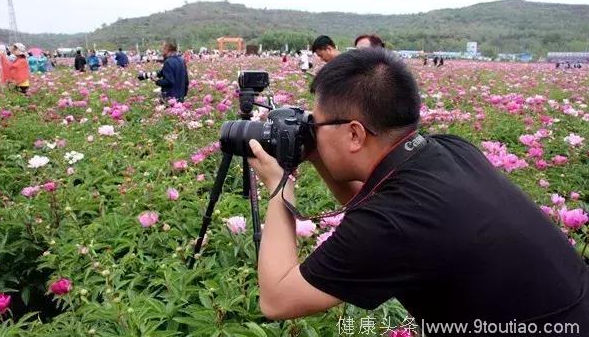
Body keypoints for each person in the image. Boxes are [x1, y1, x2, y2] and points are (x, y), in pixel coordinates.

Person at [247, 49, 589, 336]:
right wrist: (318, 152)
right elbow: (372, 204)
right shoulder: (448, 150)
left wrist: (279, 187)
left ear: (354, 134)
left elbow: (277, 300)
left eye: (316, 125)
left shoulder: (394, 220)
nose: (312, 133)